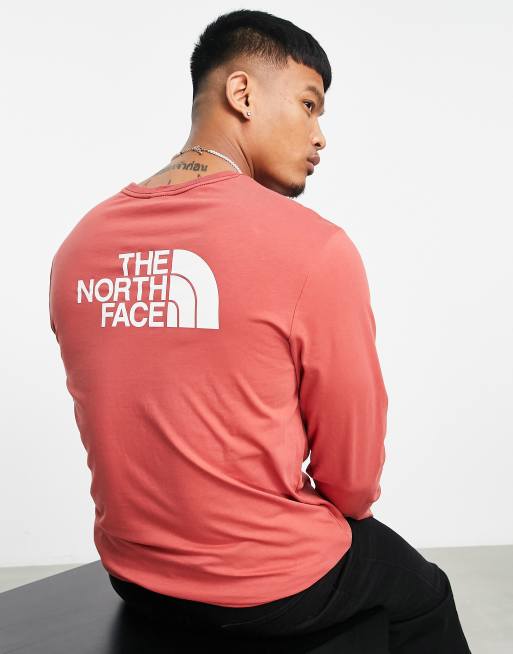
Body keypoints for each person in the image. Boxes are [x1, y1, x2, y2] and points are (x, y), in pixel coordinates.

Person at [48, 8, 471, 653]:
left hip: (134, 574)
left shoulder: (79, 246)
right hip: (269, 587)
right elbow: (353, 482)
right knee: (425, 594)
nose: (320, 136)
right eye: (309, 104)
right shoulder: (314, 248)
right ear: (242, 93)